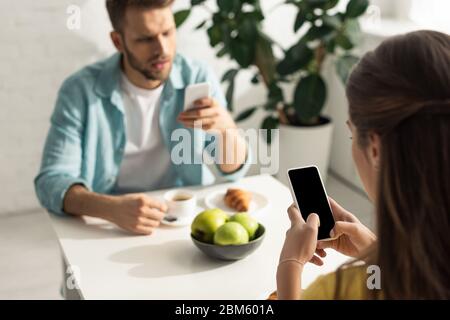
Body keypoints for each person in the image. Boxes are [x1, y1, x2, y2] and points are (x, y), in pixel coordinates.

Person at [34, 0, 250, 235]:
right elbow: (51, 182)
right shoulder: (80, 91)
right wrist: (109, 208)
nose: (163, 49)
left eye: (167, 32)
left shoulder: (197, 77)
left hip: (183, 220)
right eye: (146, 39)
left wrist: (227, 128)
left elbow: (232, 170)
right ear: (118, 41)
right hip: (109, 223)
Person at [275, 30, 450, 299]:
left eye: (352, 135)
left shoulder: (341, 291)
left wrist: (290, 265)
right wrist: (375, 251)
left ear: (376, 150)